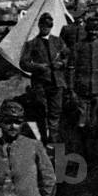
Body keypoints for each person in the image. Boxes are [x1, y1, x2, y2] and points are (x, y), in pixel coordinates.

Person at [67, 17, 98, 157]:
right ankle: (81, 150)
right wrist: (71, 90)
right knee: (80, 121)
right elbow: (71, 69)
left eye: (96, 30)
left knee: (96, 122)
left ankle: (96, 152)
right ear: (86, 30)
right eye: (91, 30)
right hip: (81, 90)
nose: (93, 33)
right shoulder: (78, 47)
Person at [20, 13, 69, 146]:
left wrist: (61, 64)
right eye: (44, 25)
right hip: (40, 83)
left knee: (55, 111)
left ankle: (53, 139)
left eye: (49, 25)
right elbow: (23, 63)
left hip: (57, 82)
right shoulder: (32, 43)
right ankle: (43, 138)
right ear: (39, 25)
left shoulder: (58, 41)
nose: (46, 28)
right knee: (41, 111)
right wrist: (37, 66)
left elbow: (68, 57)